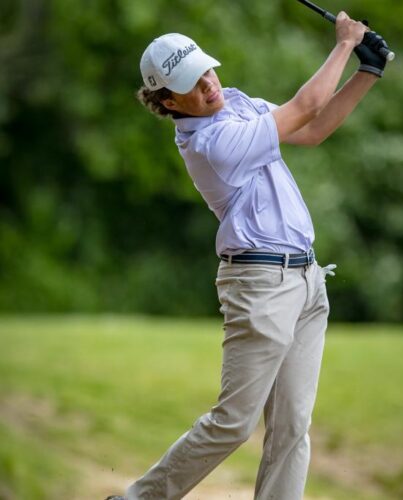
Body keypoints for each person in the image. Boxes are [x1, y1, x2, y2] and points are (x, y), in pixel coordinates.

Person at [106, 11, 387, 500]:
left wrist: (368, 71)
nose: (208, 84)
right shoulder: (212, 144)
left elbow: (313, 127)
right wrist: (344, 45)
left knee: (292, 428)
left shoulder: (233, 104)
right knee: (233, 424)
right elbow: (304, 105)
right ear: (168, 101)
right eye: (191, 83)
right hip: (261, 287)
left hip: (305, 280)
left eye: (205, 70)